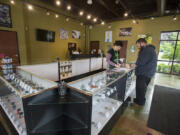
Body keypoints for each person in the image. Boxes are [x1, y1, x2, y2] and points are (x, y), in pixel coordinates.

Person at [133, 38, 157, 106]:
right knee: (140, 87)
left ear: (142, 43)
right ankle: (138, 99)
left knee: (141, 88)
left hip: (144, 73)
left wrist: (131, 65)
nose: (138, 47)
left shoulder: (147, 50)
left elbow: (141, 62)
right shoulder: (148, 49)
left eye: (138, 45)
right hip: (146, 72)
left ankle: (140, 103)